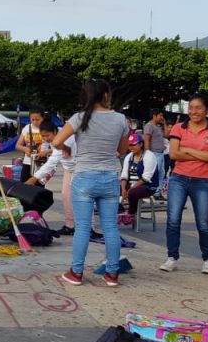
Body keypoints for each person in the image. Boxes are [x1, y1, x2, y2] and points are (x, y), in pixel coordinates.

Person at [53, 80, 130, 287]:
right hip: (109, 177)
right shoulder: (121, 119)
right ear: (106, 95)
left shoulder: (79, 118)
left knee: (83, 228)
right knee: (111, 228)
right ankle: (112, 274)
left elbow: (56, 141)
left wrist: (68, 150)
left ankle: (76, 272)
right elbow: (122, 151)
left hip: (85, 176)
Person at [161, 93, 208, 274]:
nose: (193, 111)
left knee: (203, 222)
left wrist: (187, 149)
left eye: (198, 108)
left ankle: (207, 259)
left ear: (207, 110)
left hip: (203, 181)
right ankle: (172, 256)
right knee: (173, 220)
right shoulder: (178, 128)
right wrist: (201, 154)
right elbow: (174, 154)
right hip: (178, 178)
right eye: (190, 108)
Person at [118, 132, 159, 227]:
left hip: (147, 186)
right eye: (129, 145)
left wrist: (130, 189)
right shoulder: (129, 157)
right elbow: (124, 174)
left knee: (133, 193)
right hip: (132, 183)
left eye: (134, 144)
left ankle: (131, 213)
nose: (131, 147)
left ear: (141, 144)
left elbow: (146, 178)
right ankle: (120, 211)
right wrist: (124, 189)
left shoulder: (149, 156)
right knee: (113, 188)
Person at [16, 109, 46, 181]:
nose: (35, 122)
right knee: (24, 186)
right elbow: (17, 145)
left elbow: (53, 147)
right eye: (33, 120)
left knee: (38, 188)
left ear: (43, 118)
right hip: (27, 162)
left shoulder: (46, 129)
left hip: (40, 163)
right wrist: (25, 149)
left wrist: (45, 152)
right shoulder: (27, 128)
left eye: (38, 119)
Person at [143, 109, 167, 197]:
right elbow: (147, 140)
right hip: (154, 154)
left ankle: (157, 192)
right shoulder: (149, 126)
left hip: (161, 153)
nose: (162, 117)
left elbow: (167, 135)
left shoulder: (158, 126)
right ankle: (152, 192)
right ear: (154, 116)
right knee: (154, 173)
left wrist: (164, 124)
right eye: (160, 115)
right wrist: (148, 154)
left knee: (161, 173)